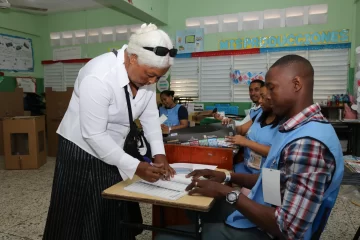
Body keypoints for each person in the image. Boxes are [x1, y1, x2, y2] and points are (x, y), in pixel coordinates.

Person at [155, 55, 344, 240]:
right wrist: (227, 176)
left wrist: (226, 192)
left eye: (271, 88)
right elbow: (273, 182)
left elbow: (287, 228)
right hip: (264, 210)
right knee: (195, 205)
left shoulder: (308, 143)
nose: (266, 97)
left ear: (296, 84)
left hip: (269, 231)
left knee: (165, 236)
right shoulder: (294, 129)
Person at [43, 23, 177, 240]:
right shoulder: (98, 76)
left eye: (159, 78)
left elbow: (150, 116)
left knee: (114, 207)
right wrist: (136, 166)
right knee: (83, 213)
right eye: (150, 75)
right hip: (83, 150)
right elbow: (94, 135)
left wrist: (158, 153)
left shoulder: (145, 73)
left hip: (115, 146)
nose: (153, 82)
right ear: (132, 58)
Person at [226, 85, 280, 174]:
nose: (259, 101)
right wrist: (231, 125)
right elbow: (242, 129)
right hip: (246, 167)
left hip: (262, 175)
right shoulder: (260, 115)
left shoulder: (283, 123)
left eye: (263, 97)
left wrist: (246, 142)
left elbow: (275, 152)